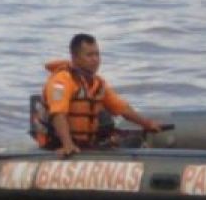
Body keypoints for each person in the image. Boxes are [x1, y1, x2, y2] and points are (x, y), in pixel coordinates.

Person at [34, 33, 162, 157]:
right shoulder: (61, 81)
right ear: (75, 57)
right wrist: (68, 144)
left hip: (84, 145)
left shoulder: (98, 83)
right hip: (56, 145)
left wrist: (147, 124)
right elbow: (58, 114)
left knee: (128, 139)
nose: (95, 59)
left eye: (97, 54)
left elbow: (122, 108)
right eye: (89, 55)